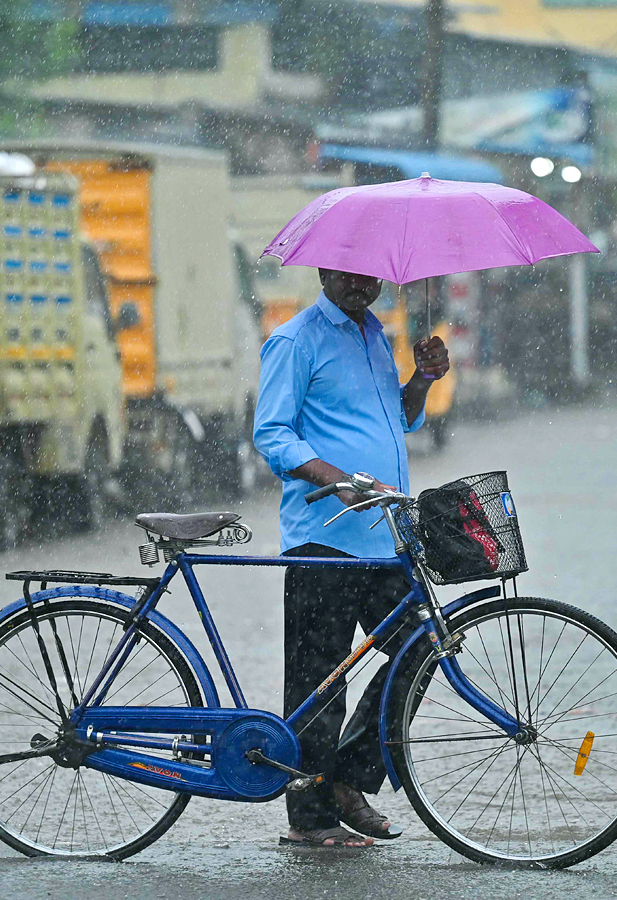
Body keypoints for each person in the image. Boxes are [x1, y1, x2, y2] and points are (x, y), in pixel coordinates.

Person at [253, 268, 450, 848]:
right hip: (324, 539)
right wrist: (333, 477)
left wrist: (423, 380)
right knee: (320, 680)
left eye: (370, 277)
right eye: (349, 275)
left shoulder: (374, 334)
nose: (361, 286)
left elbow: (396, 417)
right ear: (323, 271)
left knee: (423, 648)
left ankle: (349, 777)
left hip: (384, 539)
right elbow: (272, 434)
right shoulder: (296, 340)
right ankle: (309, 820)